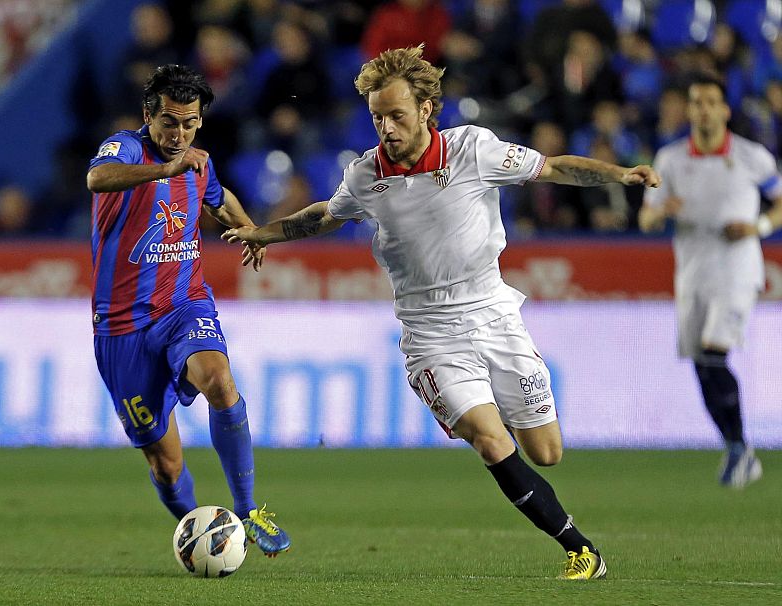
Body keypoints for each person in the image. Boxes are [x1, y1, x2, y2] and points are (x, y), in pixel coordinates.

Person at [223, 46, 661, 579]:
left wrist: (620, 175)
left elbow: (552, 169)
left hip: (494, 313)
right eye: (377, 117)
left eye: (397, 115)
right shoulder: (366, 177)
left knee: (545, 452)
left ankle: (549, 494)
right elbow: (324, 216)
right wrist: (263, 232)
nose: (386, 127)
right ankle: (580, 549)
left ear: (428, 107)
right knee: (488, 438)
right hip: (430, 334)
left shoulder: (474, 150)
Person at [86, 64, 290, 556]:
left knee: (218, 377)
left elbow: (218, 201)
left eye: (190, 123)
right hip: (122, 327)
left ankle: (247, 510)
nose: (180, 135)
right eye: (170, 123)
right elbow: (97, 178)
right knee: (166, 463)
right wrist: (165, 169)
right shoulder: (127, 148)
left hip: (183, 303)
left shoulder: (200, 162)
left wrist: (252, 230)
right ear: (148, 117)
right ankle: (202, 531)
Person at [639, 74, 782, 489]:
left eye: (711, 102)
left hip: (738, 270)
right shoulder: (669, 160)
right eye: (696, 102)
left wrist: (756, 226)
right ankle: (738, 446)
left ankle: (739, 447)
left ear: (725, 110)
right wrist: (662, 210)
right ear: (689, 110)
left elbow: (779, 203)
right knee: (702, 363)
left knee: (714, 351)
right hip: (693, 273)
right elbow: (646, 219)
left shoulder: (752, 156)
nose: (703, 110)